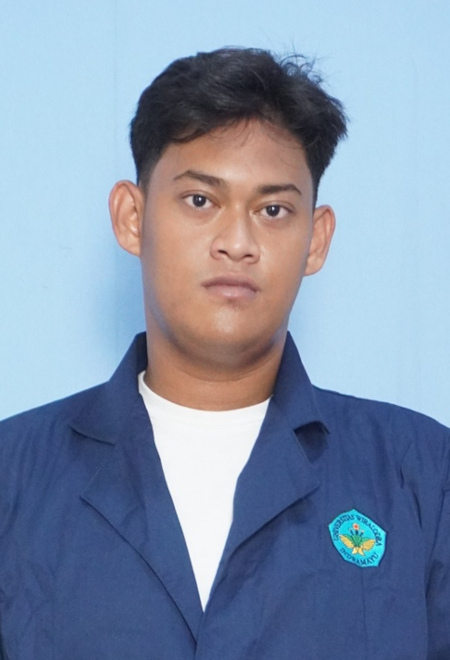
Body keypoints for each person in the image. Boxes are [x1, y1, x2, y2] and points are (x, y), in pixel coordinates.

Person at [0, 47, 449, 660]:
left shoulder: (422, 475)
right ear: (132, 218)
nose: (237, 242)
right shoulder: (14, 475)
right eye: (200, 201)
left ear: (315, 240)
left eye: (273, 210)